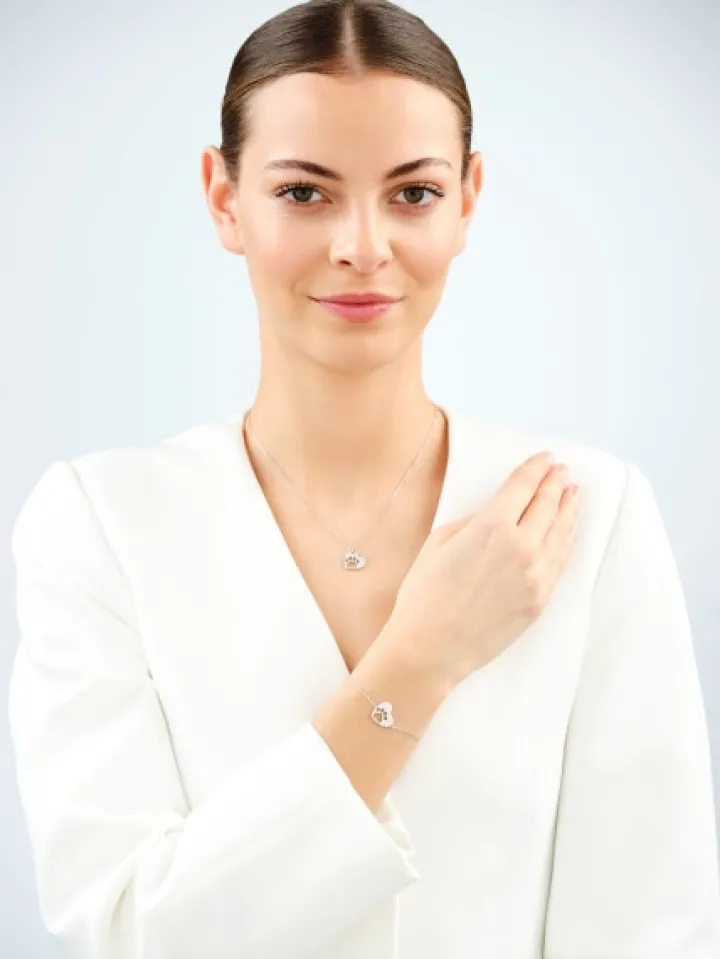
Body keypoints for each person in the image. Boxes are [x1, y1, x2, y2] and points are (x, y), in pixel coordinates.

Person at [7, 0, 720, 956]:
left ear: (468, 199)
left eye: (413, 192)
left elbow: (649, 932)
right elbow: (133, 930)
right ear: (223, 198)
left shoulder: (588, 518)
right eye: (304, 192)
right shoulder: (99, 524)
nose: (363, 246)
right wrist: (418, 661)